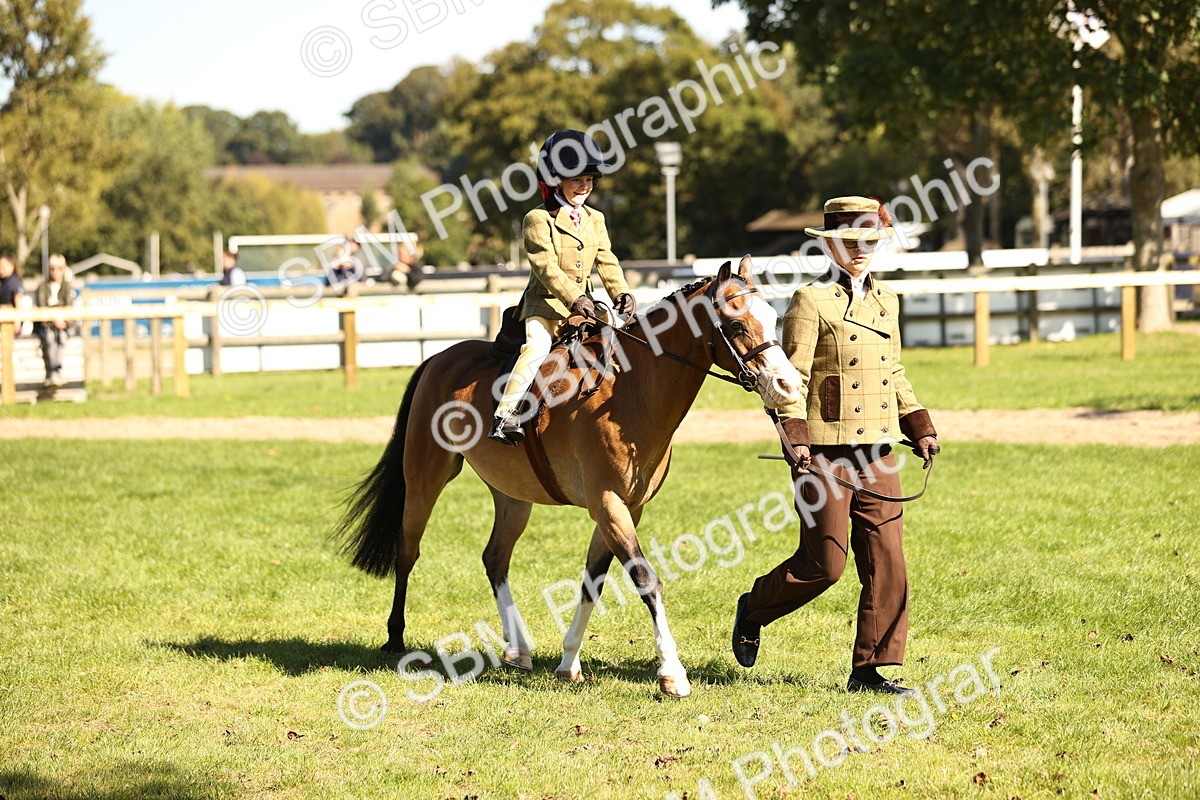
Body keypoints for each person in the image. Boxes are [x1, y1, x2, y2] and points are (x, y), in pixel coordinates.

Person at [731, 196, 940, 695]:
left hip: (877, 450)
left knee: (888, 561)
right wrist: (794, 436)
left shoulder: (888, 301)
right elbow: (791, 377)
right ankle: (754, 608)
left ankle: (869, 670)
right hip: (822, 452)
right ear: (830, 246)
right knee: (824, 565)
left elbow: (893, 371)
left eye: (868, 239)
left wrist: (919, 425)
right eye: (850, 241)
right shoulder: (810, 301)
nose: (860, 249)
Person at [487, 129, 637, 446]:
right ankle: (505, 414)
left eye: (589, 180)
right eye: (576, 180)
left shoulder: (596, 218)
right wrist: (575, 297)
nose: (584, 186)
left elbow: (607, 260)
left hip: (586, 306)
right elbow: (546, 267)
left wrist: (621, 292)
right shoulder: (537, 219)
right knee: (537, 348)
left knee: (625, 341)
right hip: (545, 306)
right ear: (556, 181)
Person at [34, 253, 75, 387]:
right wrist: (53, 320)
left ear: (64, 269)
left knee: (62, 337)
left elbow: (69, 307)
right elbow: (41, 308)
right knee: (49, 338)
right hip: (46, 325)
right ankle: (54, 373)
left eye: (59, 268)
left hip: (64, 325)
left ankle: (54, 372)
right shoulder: (42, 287)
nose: (55, 271)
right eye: (52, 268)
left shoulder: (67, 286)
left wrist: (64, 322)